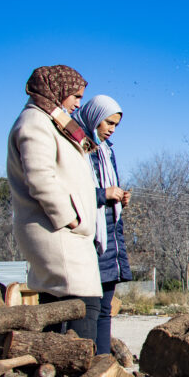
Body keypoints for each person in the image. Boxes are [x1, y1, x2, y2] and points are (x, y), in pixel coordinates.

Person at [6, 65, 102, 340]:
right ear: (57, 91)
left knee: (60, 309)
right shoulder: (34, 123)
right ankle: (78, 376)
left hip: (64, 233)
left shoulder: (51, 121)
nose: (78, 104)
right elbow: (40, 179)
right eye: (76, 96)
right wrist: (70, 218)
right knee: (83, 307)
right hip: (57, 232)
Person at [73, 95, 132, 356]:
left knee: (105, 309)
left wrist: (118, 198)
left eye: (116, 125)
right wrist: (103, 195)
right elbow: (70, 192)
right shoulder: (75, 147)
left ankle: (103, 362)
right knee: (87, 310)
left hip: (110, 238)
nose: (111, 129)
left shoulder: (108, 151)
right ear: (94, 117)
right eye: (108, 122)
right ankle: (84, 363)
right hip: (86, 239)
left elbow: (107, 189)